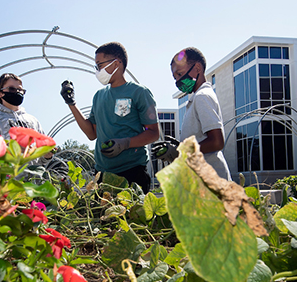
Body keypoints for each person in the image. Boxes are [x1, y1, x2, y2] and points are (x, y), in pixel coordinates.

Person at [60, 42, 159, 192]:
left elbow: (153, 133)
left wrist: (125, 143)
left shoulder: (139, 93)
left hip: (132, 173)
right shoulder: (99, 96)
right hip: (102, 174)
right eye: (96, 66)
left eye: (99, 65)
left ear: (117, 63)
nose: (98, 70)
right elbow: (91, 134)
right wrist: (71, 103)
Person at [154, 47, 231, 181]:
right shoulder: (197, 98)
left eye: (180, 73)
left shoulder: (202, 96)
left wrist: (180, 152)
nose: (177, 81)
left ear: (197, 68)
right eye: (175, 77)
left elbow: (217, 142)